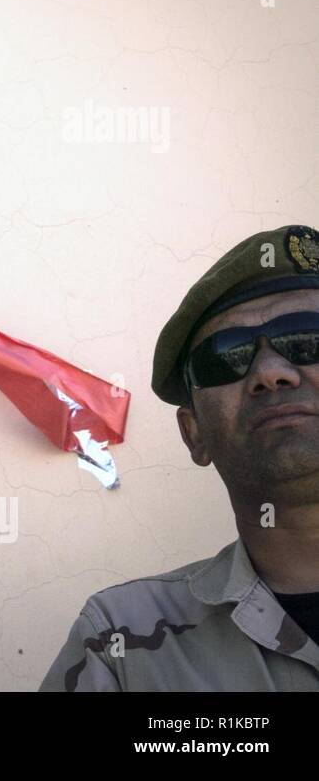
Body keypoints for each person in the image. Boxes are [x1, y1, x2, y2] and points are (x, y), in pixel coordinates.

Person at [40, 224, 319, 690]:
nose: (270, 374)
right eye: (225, 357)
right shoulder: (119, 645)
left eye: (307, 338)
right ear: (194, 435)